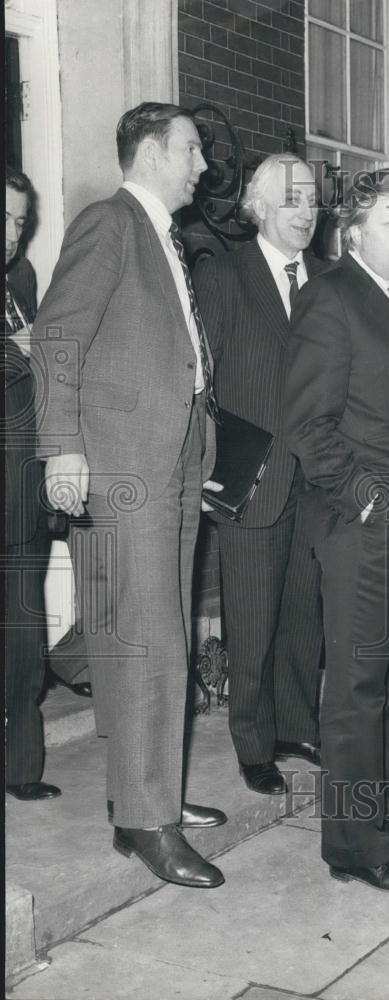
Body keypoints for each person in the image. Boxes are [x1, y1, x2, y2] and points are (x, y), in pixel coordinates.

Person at [31, 102, 227, 888]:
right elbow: (56, 337)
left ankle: (147, 796)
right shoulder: (109, 222)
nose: (202, 165)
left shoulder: (161, 237)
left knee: (152, 631)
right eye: (190, 150)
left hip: (172, 455)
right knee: (148, 638)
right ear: (149, 152)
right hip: (123, 460)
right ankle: (150, 821)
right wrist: (62, 448)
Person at [285, 170, 389, 894]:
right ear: (350, 231)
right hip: (367, 529)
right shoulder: (331, 298)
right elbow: (307, 425)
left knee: (385, 686)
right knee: (357, 689)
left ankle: (374, 817)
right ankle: (355, 847)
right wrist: (369, 501)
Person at [194, 154, 325, 795]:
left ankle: (296, 724)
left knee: (306, 612)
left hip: (319, 478)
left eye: (313, 202)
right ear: (260, 207)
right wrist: (210, 466)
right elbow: (203, 377)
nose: (306, 213)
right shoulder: (226, 277)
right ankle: (253, 741)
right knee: (252, 617)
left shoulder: (326, 281)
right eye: (293, 200)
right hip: (255, 477)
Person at [4, 165, 61, 801]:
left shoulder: (22, 277)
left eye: (21, 221)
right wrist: (21, 348)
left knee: (23, 635)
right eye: (4, 218)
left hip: (22, 484)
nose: (13, 234)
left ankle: (22, 767)